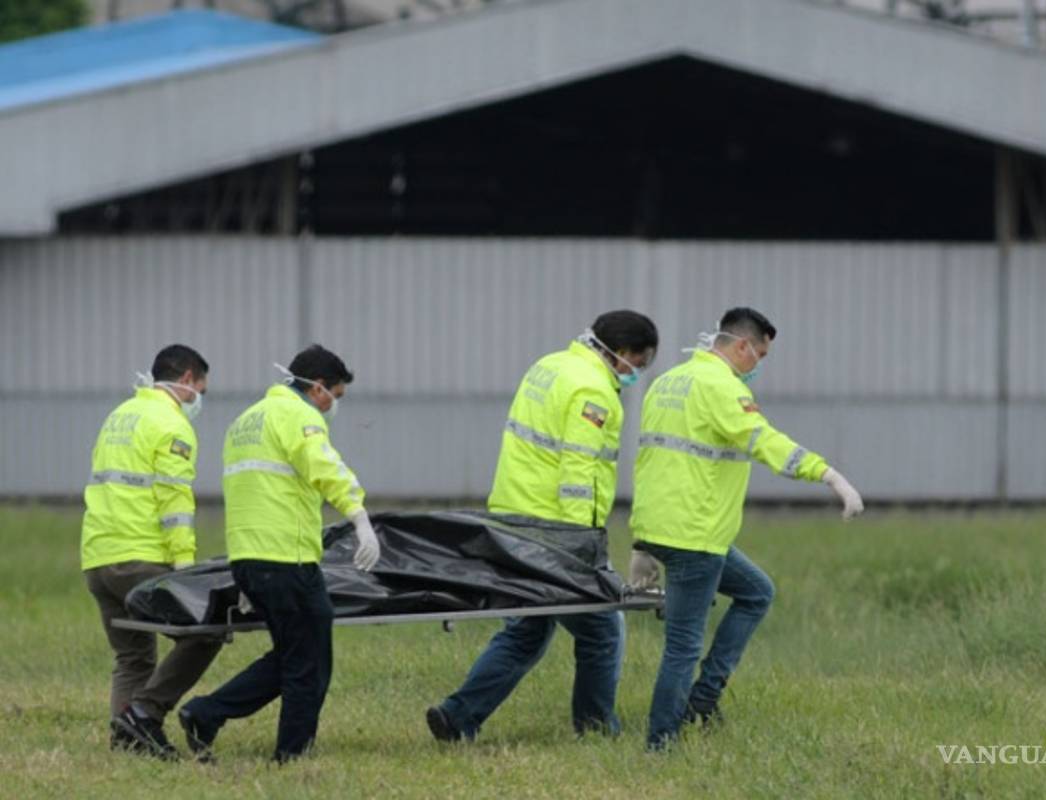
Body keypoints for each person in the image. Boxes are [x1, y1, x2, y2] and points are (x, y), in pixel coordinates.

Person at [628, 307, 864, 750]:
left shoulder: (668, 382)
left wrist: (642, 539)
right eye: (760, 355)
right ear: (740, 346)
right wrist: (828, 475)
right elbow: (765, 440)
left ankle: (703, 699)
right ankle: (661, 744)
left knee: (757, 592)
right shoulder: (722, 387)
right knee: (682, 645)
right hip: (694, 536)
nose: (758, 365)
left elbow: (648, 462)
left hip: (667, 527)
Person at [426, 310, 659, 742]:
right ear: (621, 353)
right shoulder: (594, 391)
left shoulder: (548, 366)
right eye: (638, 365)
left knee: (527, 628)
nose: (636, 374)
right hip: (554, 532)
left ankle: (457, 717)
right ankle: (595, 730)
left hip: (511, 517)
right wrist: (580, 548)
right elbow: (578, 471)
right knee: (602, 628)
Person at [178, 345, 380, 763]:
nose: (333, 408)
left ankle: (206, 714)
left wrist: (248, 569)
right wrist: (359, 516)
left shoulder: (246, 421)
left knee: (294, 653)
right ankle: (291, 755)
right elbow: (325, 467)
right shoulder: (297, 416)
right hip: (287, 558)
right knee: (310, 662)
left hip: (250, 558)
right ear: (318, 388)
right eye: (335, 398)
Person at [82, 344, 223, 759]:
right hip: (139, 558)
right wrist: (184, 568)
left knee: (133, 657)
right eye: (201, 388)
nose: (200, 398)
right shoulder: (171, 424)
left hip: (98, 557)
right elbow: (175, 500)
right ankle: (145, 713)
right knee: (206, 630)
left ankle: (126, 746)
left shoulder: (120, 416)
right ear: (185, 381)